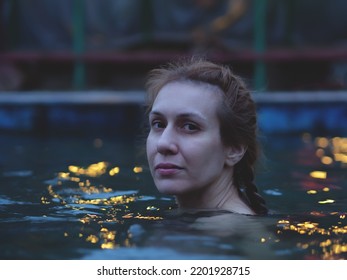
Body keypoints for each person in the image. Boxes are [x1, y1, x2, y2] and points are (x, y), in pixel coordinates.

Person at [145, 58, 268, 215]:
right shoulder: (209, 222)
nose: (163, 143)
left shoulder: (225, 229)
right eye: (159, 124)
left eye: (190, 127)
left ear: (234, 149)